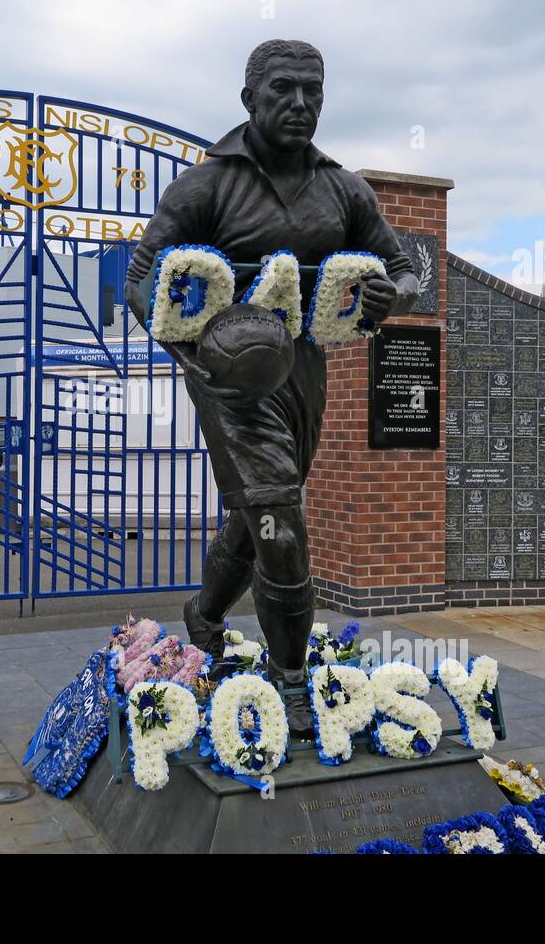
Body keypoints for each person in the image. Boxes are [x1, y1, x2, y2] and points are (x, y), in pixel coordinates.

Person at [123, 39, 420, 734]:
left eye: (313, 91)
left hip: (305, 366)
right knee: (279, 516)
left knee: (255, 514)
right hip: (226, 373)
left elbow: (405, 269)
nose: (301, 104)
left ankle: (204, 613)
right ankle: (290, 680)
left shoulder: (345, 189)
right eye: (284, 89)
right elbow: (140, 277)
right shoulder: (208, 185)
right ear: (249, 99)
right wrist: (184, 347)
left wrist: (393, 296)